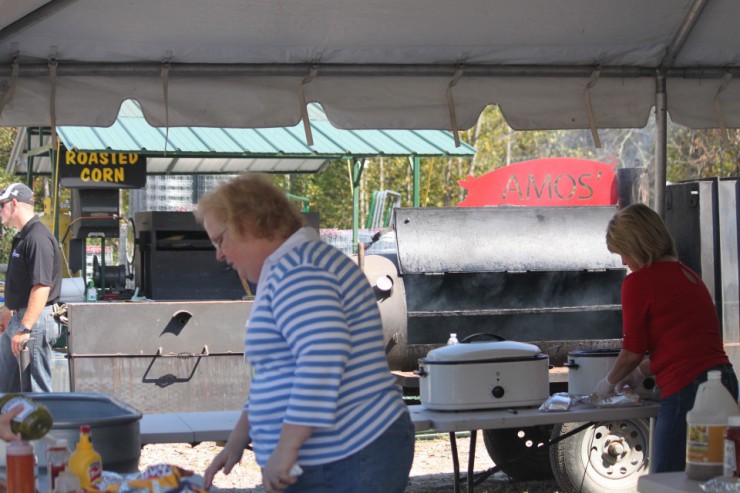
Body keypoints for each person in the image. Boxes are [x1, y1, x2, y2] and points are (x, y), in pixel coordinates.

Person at [196, 174, 414, 493]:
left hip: (348, 456)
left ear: (250, 223)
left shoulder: (299, 270)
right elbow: (278, 371)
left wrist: (286, 448)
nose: (219, 254)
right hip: (347, 455)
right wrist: (238, 439)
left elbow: (321, 357)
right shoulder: (295, 264)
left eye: (220, 240)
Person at [592, 203, 738, 473]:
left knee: (667, 480)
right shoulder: (689, 275)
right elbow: (685, 346)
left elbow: (633, 351)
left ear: (637, 245)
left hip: (688, 390)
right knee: (717, 478)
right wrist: (636, 375)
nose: (624, 261)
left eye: (623, 252)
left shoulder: (639, 282)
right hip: (725, 382)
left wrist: (607, 383)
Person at [0, 183, 62, 393]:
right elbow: (23, 281)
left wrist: (25, 327)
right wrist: (9, 309)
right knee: (7, 390)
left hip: (33, 322)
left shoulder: (37, 238)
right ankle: (11, 426)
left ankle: (44, 427)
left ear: (14, 203)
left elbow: (42, 286)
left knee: (37, 392)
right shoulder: (23, 237)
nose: (0, 212)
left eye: (1, 206)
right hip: (19, 319)